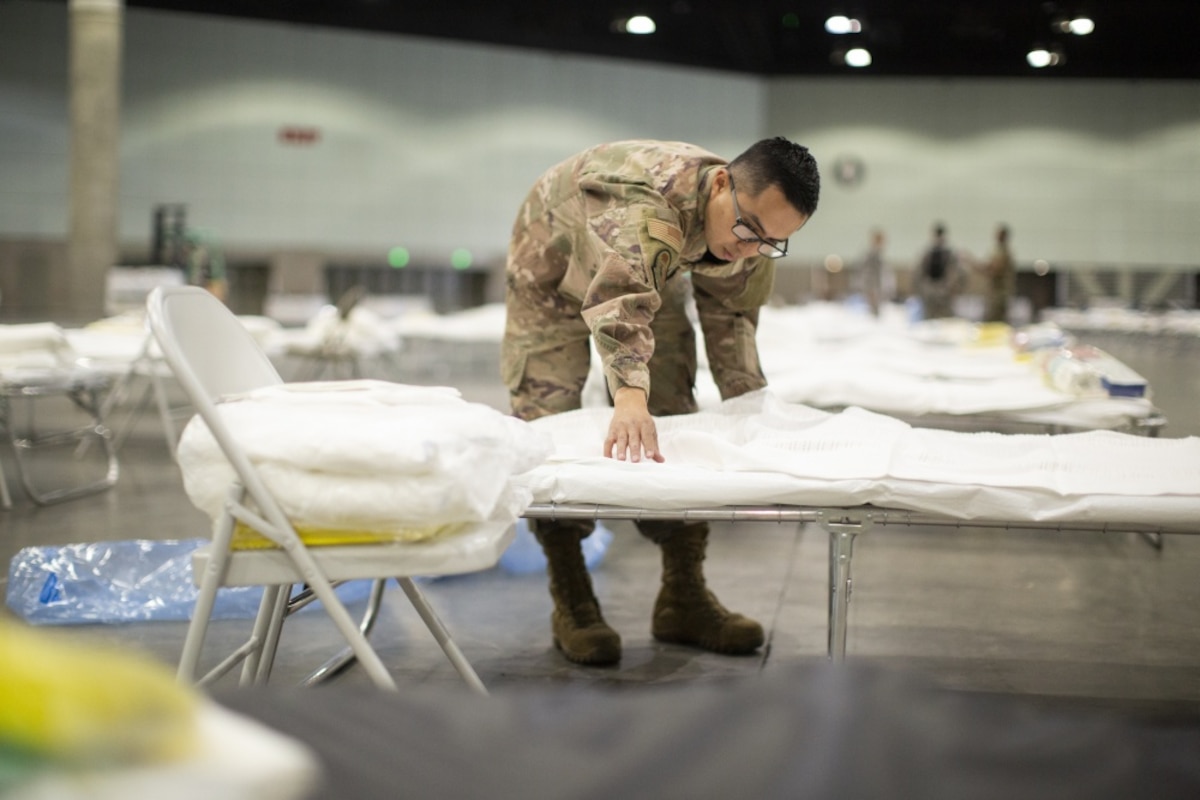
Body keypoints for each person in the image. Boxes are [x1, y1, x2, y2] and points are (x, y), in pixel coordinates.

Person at [502, 138, 820, 665]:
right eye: (748, 230)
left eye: (771, 242)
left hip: (648, 266)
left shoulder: (752, 227)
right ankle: (572, 597)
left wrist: (751, 413)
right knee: (548, 422)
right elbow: (619, 301)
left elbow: (733, 321)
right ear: (721, 184)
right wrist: (628, 394)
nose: (751, 247)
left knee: (674, 416)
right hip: (552, 260)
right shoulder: (645, 209)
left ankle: (683, 595)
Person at [914, 222, 962, 320]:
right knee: (929, 317)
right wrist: (921, 289)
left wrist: (952, 288)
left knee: (945, 318)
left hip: (944, 289)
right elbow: (919, 272)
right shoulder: (928, 253)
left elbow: (954, 273)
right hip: (930, 289)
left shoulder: (950, 254)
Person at [979, 224, 1015, 324]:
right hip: (995, 293)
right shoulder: (997, 250)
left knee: (995, 322)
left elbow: (994, 270)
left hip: (999, 294)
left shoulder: (1004, 252)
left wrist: (976, 265)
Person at [857, 227, 887, 316]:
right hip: (871, 283)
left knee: (875, 306)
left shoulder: (878, 253)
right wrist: (872, 286)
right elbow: (867, 271)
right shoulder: (872, 253)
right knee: (873, 305)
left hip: (874, 283)